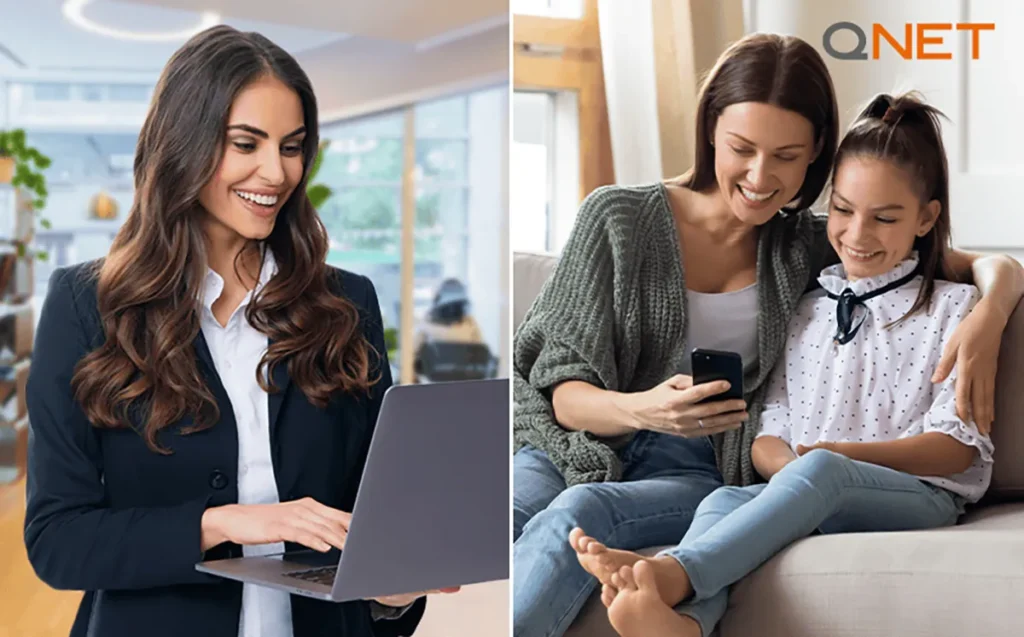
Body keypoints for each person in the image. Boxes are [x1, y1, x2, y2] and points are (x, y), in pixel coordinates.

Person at [512, 33, 1024, 637]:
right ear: (710, 130)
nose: (760, 176)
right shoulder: (619, 218)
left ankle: (675, 595)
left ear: (814, 157)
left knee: (579, 511)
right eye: (742, 148)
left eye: (787, 155)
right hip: (576, 438)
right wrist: (644, 409)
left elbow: (973, 262)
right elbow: (560, 392)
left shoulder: (810, 246)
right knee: (501, 514)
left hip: (696, 466)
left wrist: (990, 316)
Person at [24, 25, 455, 637]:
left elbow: (371, 525)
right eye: (245, 143)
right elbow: (58, 540)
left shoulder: (346, 303)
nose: (276, 172)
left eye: (292, 146)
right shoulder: (86, 306)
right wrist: (226, 522)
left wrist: (392, 592)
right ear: (184, 143)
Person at [412, 278, 490, 382]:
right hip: (457, 386)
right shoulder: (470, 327)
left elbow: (480, 354)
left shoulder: (425, 326)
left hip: (452, 384)